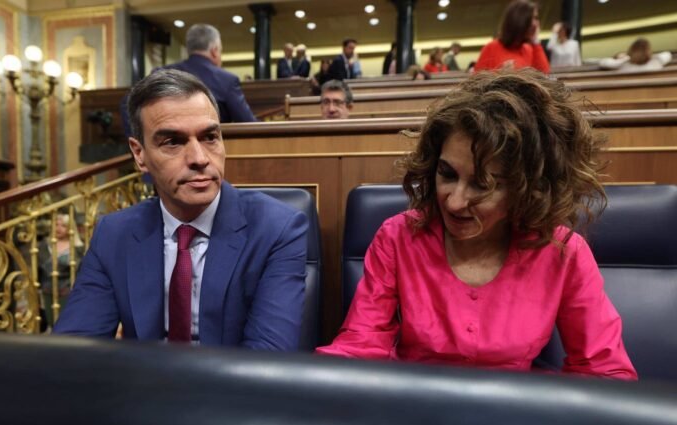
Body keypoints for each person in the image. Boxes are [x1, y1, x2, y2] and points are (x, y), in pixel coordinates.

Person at [317, 68, 637, 380]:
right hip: (414, 406)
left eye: (483, 185)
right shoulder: (398, 236)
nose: (454, 202)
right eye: (447, 174)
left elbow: (605, 370)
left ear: (528, 189)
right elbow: (360, 346)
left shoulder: (563, 251)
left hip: (513, 411)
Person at [54, 69, 308, 349]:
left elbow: (267, 358)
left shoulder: (276, 228)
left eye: (209, 137)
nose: (200, 158)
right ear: (139, 154)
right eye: (173, 142)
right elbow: (73, 349)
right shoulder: (114, 234)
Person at [474, 0, 549, 74]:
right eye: (532, 18)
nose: (536, 23)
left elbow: (544, 74)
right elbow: (477, 80)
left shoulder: (529, 50)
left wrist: (535, 41)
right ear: (519, 20)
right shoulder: (491, 48)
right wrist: (501, 75)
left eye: (536, 18)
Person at [39, 213, 84, 328]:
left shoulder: (78, 248)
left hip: (67, 290)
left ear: (70, 228)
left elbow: (78, 269)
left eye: (63, 225)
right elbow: (42, 267)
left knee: (66, 321)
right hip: (48, 289)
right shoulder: (44, 245)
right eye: (56, 225)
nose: (58, 228)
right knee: (51, 321)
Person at [599, 38, 672, 72]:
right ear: (649, 50)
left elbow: (603, 62)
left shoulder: (624, 63)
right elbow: (668, 54)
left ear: (630, 50)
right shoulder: (657, 60)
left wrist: (624, 57)